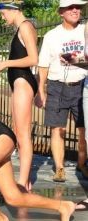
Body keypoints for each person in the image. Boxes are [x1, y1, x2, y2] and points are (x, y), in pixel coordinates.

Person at [36, 0, 88, 183]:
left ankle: (82, 164)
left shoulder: (85, 30)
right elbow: (42, 65)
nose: (76, 10)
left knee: (84, 130)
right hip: (57, 85)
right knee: (58, 129)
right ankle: (59, 168)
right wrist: (40, 91)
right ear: (61, 12)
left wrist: (75, 60)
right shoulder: (51, 36)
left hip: (82, 85)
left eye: (78, 7)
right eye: (71, 7)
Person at [0, 1, 38, 191]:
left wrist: (7, 63)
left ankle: (22, 183)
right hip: (18, 82)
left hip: (23, 81)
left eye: (3, 13)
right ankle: (25, 180)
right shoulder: (20, 28)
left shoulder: (26, 26)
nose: (2, 17)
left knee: (23, 134)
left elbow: (33, 58)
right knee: (18, 132)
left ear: (13, 10)